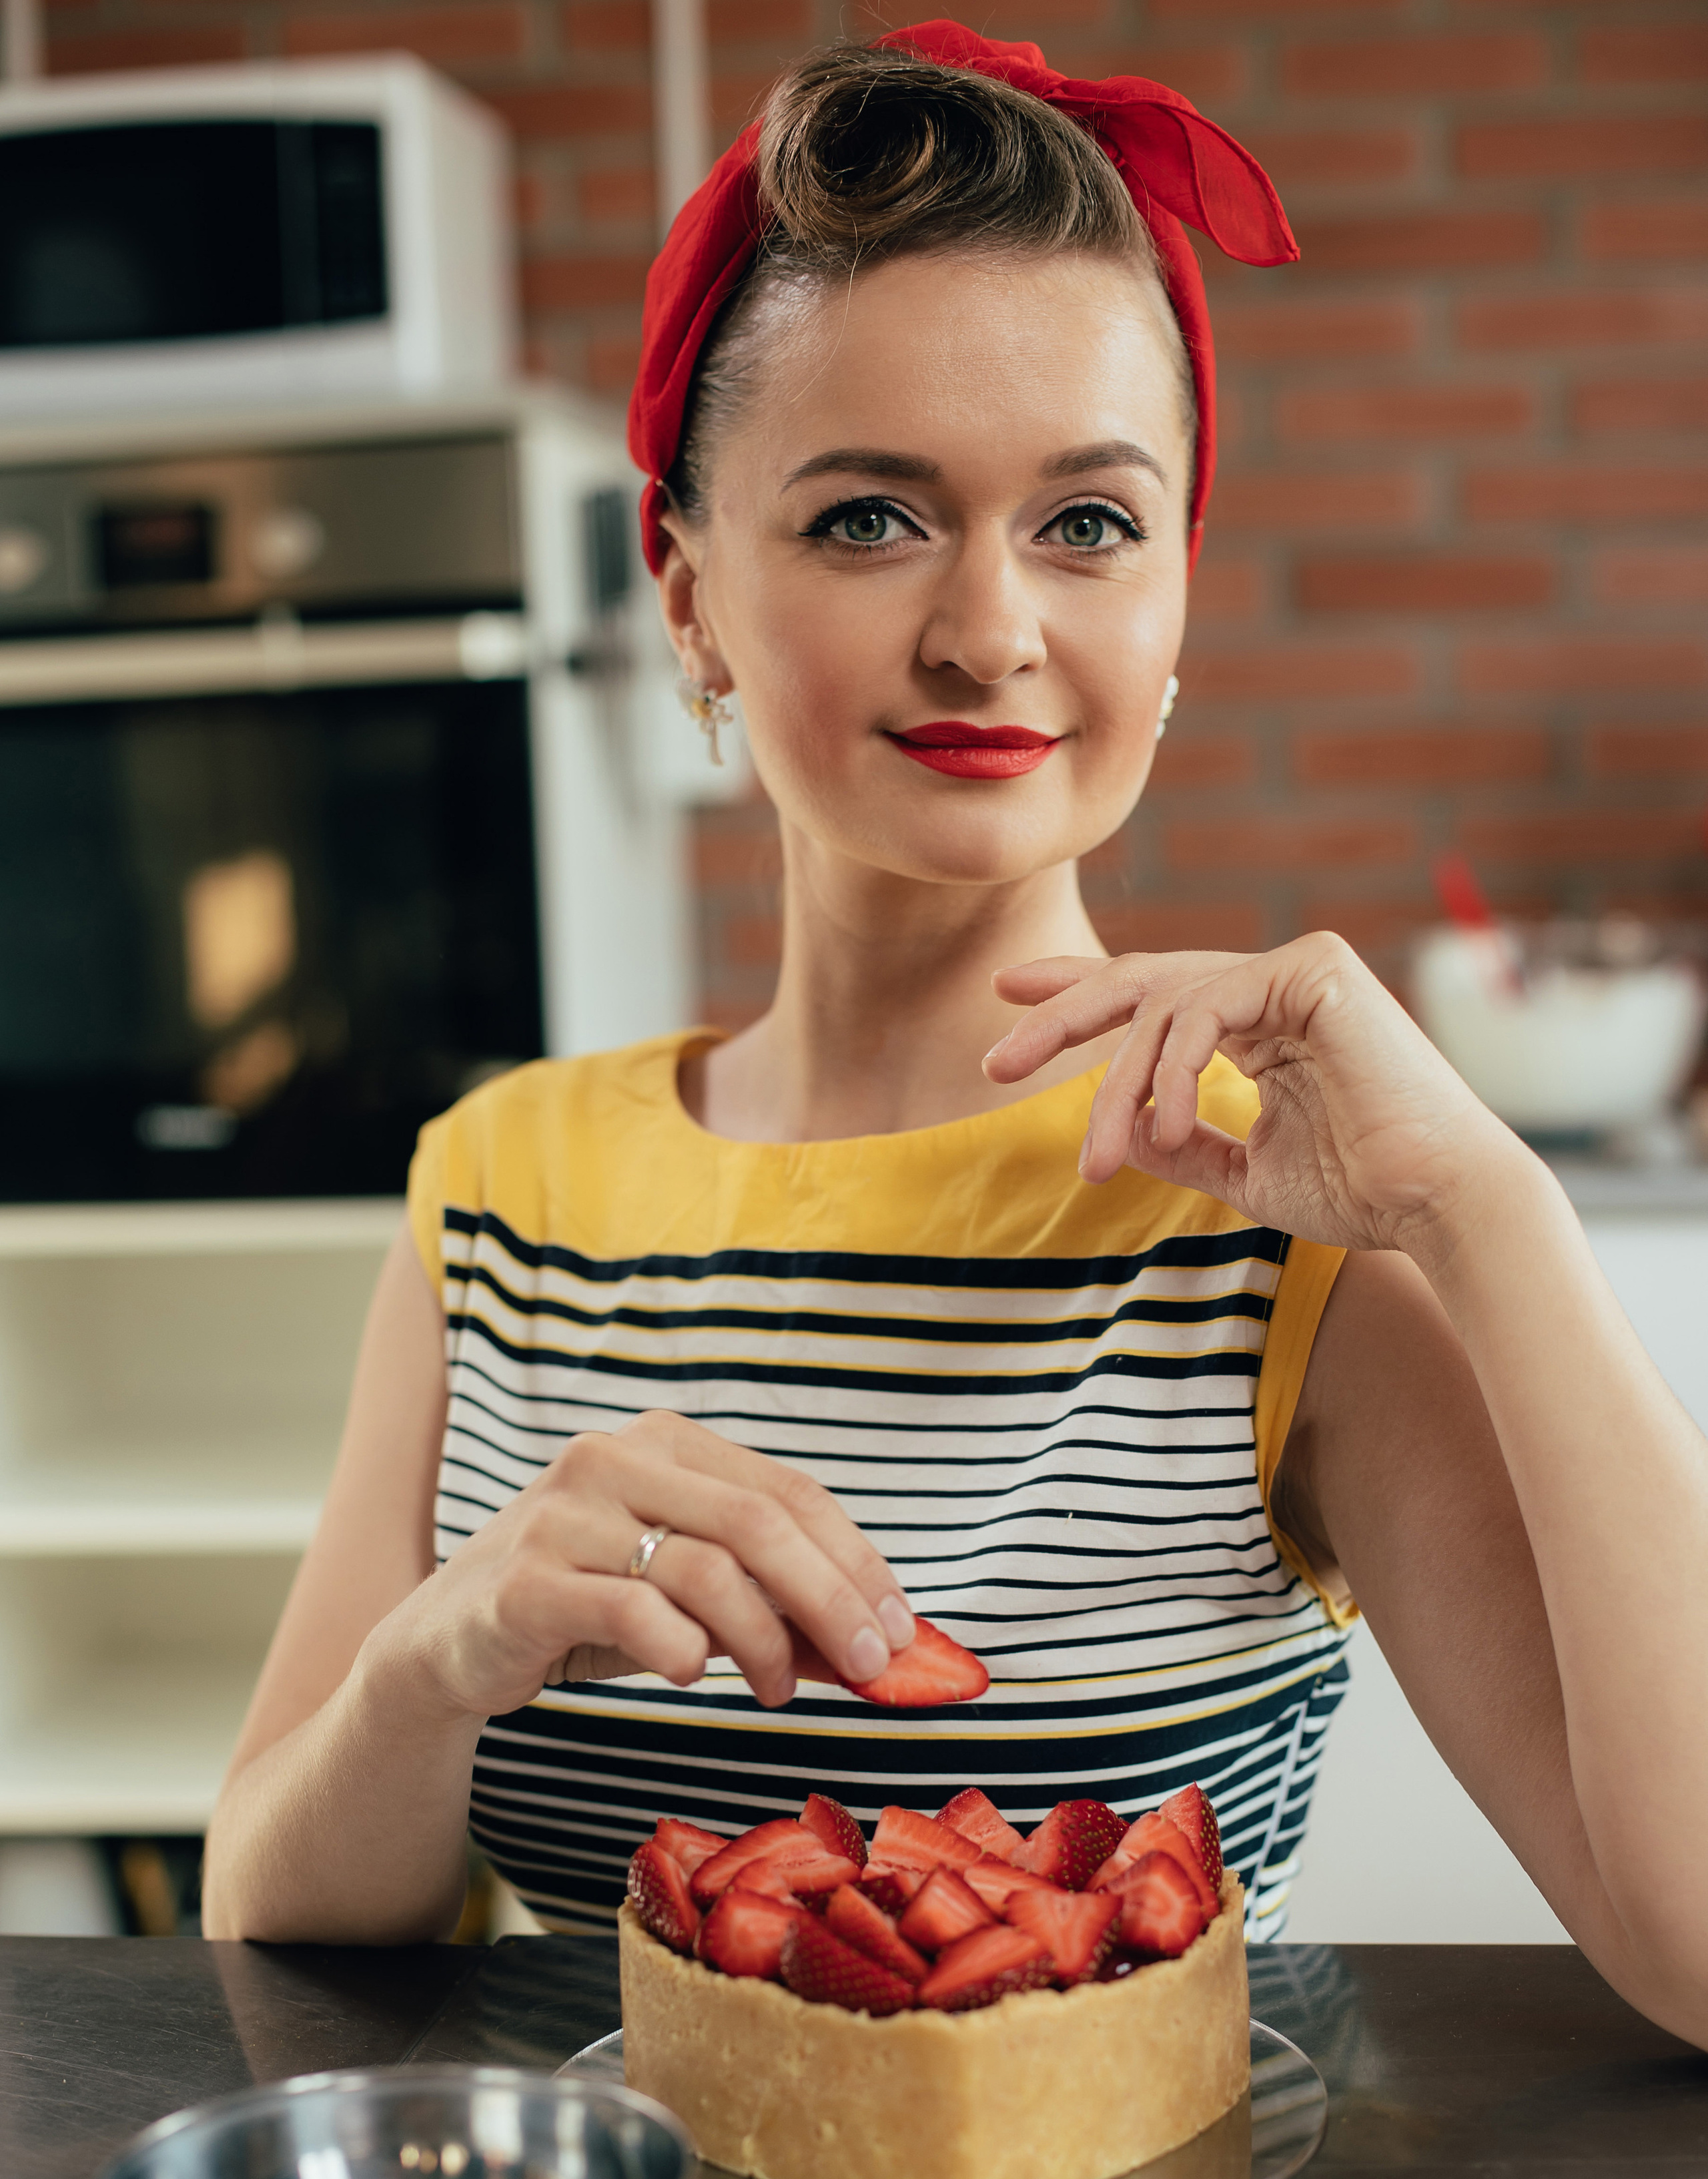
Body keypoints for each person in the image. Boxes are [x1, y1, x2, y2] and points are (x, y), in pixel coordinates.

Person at [203, 25, 1708, 2048]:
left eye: (1087, 524)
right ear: (690, 600)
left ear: (1179, 599)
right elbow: (271, 1905)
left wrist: (1493, 1208)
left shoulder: (1283, 1216)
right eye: (866, 519)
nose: (991, 628)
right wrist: (439, 1658)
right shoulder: (506, 1191)